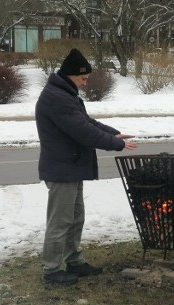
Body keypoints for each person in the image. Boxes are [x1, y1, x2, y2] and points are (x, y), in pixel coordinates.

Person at [35, 48, 137, 285]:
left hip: (71, 166)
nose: (85, 82)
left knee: (75, 218)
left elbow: (87, 122)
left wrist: (114, 134)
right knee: (60, 222)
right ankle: (52, 270)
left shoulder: (65, 94)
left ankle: (74, 261)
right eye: (82, 78)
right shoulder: (57, 98)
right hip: (62, 169)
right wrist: (115, 144)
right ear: (70, 75)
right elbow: (83, 131)